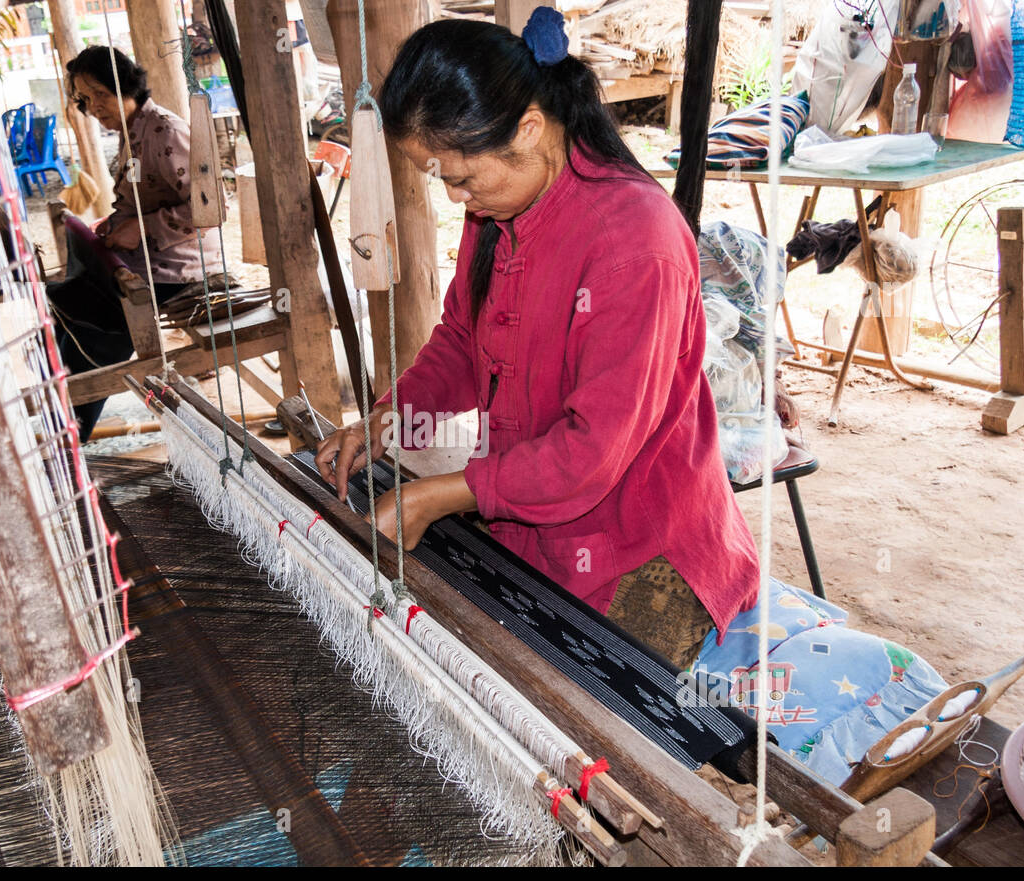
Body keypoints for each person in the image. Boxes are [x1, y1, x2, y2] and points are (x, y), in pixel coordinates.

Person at [314, 10, 760, 669]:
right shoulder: (500, 206)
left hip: (643, 547)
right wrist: (388, 419)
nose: (459, 200)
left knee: (577, 728)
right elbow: (463, 342)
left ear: (528, 127)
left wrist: (439, 493)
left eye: (462, 178)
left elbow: (590, 453)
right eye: (444, 181)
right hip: (534, 520)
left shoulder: (636, 245)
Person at [47, 45, 220, 441]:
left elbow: (211, 206)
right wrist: (117, 223)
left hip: (179, 266)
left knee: (95, 326)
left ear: (125, 85)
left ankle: (72, 434)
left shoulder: (165, 131)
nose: (94, 108)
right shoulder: (133, 131)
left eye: (101, 95)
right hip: (146, 261)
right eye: (86, 100)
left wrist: (142, 228)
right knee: (68, 308)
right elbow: (145, 195)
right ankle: (63, 418)